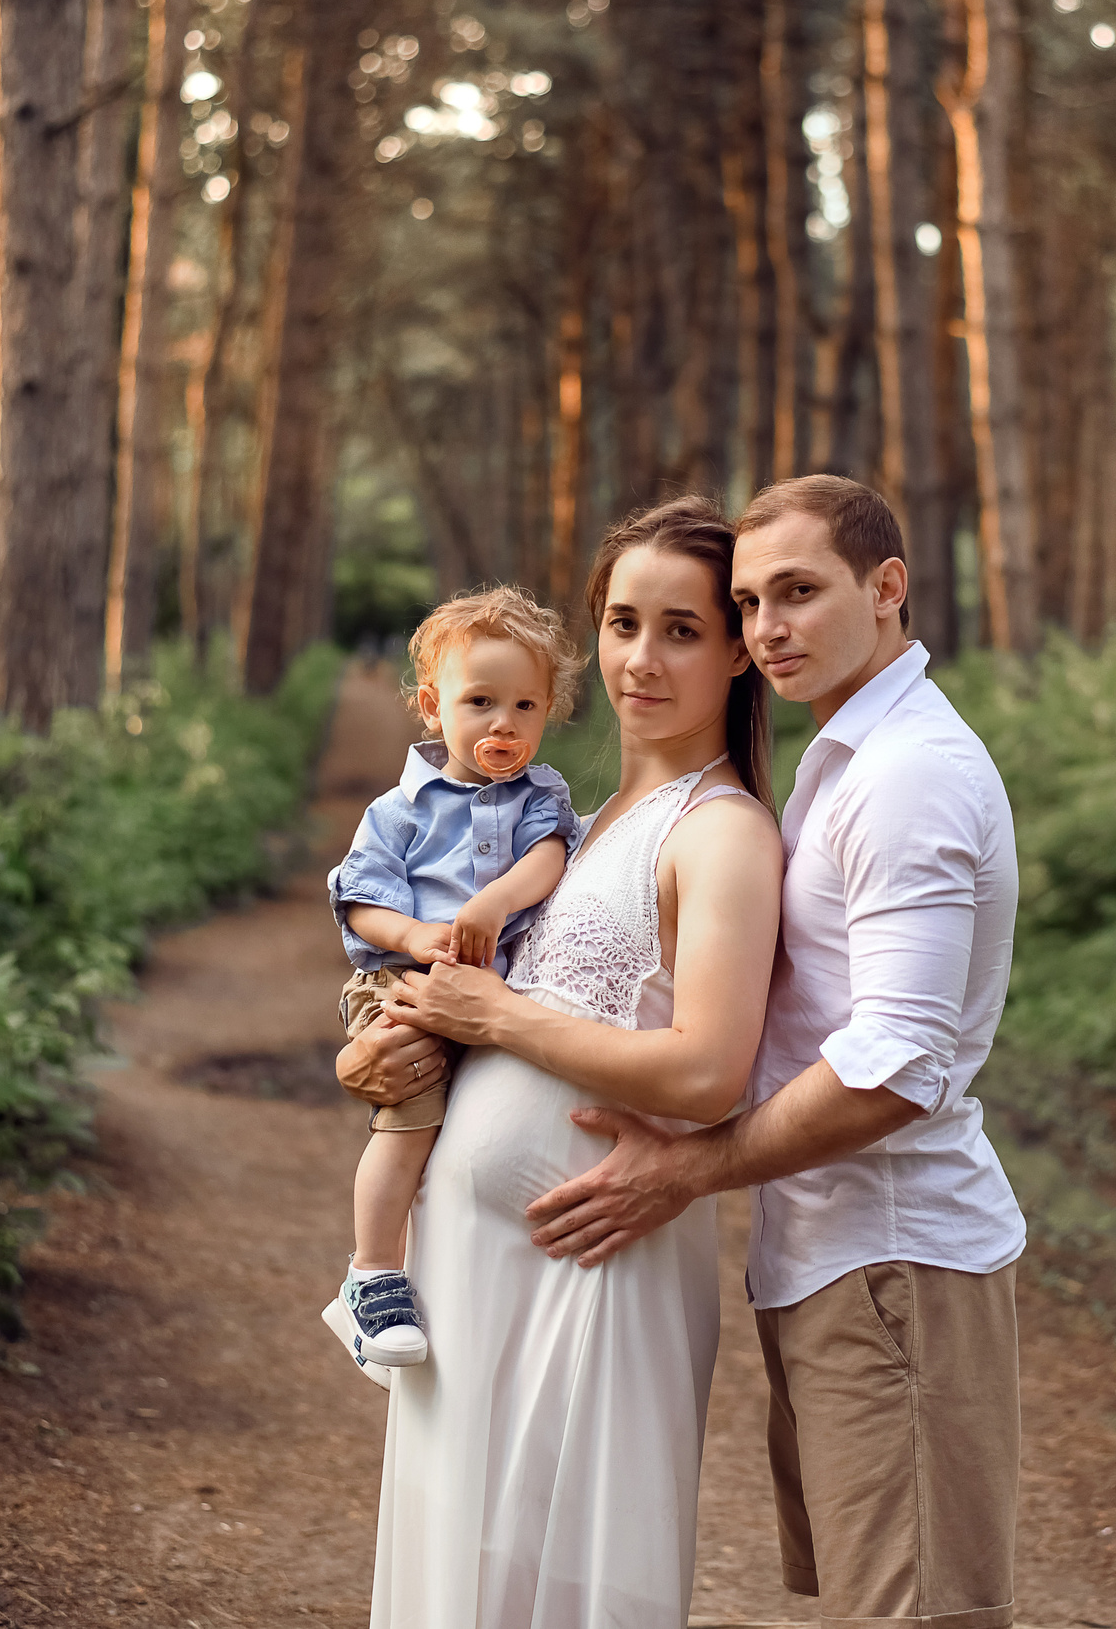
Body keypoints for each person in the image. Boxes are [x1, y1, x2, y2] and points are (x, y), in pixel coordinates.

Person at [526, 474, 1028, 1629]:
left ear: (887, 589)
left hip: (894, 1265)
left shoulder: (907, 777)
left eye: (797, 593)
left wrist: (691, 1168)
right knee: (873, 1600)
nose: (768, 630)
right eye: (750, 603)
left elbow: (898, 1062)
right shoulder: (842, 761)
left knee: (914, 1612)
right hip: (835, 1261)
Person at [338, 495, 786, 1629]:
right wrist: (393, 1051)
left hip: (592, 1267)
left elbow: (707, 1074)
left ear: (738, 650)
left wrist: (493, 1021)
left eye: (682, 629)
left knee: (563, 1593)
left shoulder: (720, 831)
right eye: (622, 622)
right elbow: (484, 988)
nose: (642, 657)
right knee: (470, 1585)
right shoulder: (588, 821)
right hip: (481, 1271)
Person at [319, 587, 585, 1382]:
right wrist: (413, 935)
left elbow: (550, 858)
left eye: (524, 705)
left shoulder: (544, 795)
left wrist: (497, 899)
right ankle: (372, 1274)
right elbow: (361, 898)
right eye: (481, 702)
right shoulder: (401, 810)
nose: (503, 724)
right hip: (406, 983)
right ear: (434, 707)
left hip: (497, 990)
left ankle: (451, 1271)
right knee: (411, 1114)